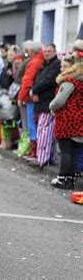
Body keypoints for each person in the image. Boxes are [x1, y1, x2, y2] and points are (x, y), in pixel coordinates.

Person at [49, 57, 82, 189]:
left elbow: (58, 101)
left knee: (65, 151)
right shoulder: (80, 81)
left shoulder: (68, 81)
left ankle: (62, 178)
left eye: (65, 67)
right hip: (79, 119)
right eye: (61, 66)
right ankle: (71, 179)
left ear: (72, 68)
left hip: (67, 119)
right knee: (74, 151)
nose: (62, 69)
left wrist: (51, 106)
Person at [31, 44, 61, 168]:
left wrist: (35, 90)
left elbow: (48, 81)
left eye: (49, 51)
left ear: (55, 51)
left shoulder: (56, 64)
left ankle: (42, 159)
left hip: (48, 102)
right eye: (45, 51)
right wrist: (34, 90)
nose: (47, 53)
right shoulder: (46, 64)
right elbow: (37, 79)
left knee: (44, 130)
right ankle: (49, 158)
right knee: (47, 131)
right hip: (43, 101)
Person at [18, 41, 44, 158]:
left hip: (30, 98)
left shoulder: (34, 62)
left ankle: (34, 149)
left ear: (31, 50)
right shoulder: (41, 60)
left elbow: (27, 81)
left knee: (31, 124)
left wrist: (21, 97)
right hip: (37, 97)